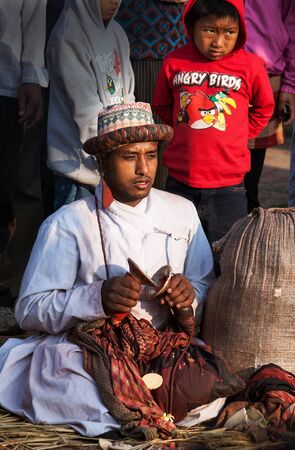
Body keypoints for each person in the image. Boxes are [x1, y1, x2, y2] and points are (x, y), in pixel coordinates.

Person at [0, 103, 214, 436]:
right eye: (129, 157)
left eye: (151, 155)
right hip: (89, 349)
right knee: (67, 381)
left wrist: (190, 296)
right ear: (103, 162)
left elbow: (203, 284)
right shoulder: (69, 222)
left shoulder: (182, 212)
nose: (143, 168)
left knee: (206, 385)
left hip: (162, 346)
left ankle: (141, 409)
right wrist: (96, 297)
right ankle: (132, 414)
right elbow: (29, 310)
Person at [153, 0, 274, 249]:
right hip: (180, 181)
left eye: (229, 32)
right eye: (210, 30)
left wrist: (241, 133)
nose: (218, 42)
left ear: (240, 31)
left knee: (225, 255)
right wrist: (183, 127)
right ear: (191, 26)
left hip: (228, 187)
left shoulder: (250, 66)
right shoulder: (174, 62)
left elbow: (264, 107)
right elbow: (163, 105)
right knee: (176, 251)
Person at [46, 0, 135, 210]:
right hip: (78, 175)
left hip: (115, 166)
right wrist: (116, 156)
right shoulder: (68, 36)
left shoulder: (117, 33)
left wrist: (126, 153)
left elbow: (129, 95)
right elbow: (85, 112)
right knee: (79, 239)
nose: (115, 2)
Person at [116, 0, 188, 188]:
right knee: (133, 138)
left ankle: (158, 205)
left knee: (164, 138)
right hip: (131, 47)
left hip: (173, 50)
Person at [0, 0, 47, 256]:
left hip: (7, 83)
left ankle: (10, 282)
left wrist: (31, 75)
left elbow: (35, 10)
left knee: (9, 187)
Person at [244, 0, 295, 212]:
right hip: (216, 71)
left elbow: (291, 22)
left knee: (249, 181)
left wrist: (290, 84)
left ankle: (244, 235)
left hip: (267, 74)